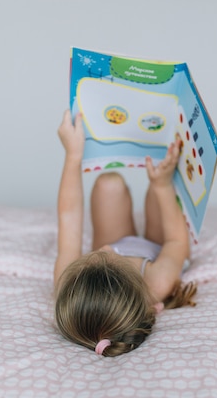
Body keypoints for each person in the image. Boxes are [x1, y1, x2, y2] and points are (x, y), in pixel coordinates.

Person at [53, 109, 197, 357]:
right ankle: (161, 186)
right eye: (111, 258)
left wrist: (73, 155)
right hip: (157, 247)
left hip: (124, 246)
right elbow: (176, 241)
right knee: (159, 193)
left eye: (95, 256)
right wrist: (161, 185)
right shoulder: (157, 282)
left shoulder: (68, 283)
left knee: (109, 184)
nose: (106, 248)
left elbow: (68, 218)